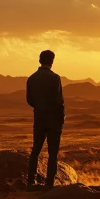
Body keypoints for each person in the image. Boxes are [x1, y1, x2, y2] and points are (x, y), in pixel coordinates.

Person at [26, 50, 65, 190]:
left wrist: (40, 107)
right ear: (52, 61)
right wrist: (60, 119)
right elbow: (59, 101)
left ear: (39, 60)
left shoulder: (31, 78)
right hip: (53, 120)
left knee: (35, 150)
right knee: (53, 152)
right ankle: (49, 183)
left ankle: (31, 180)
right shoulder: (55, 78)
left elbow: (29, 100)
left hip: (39, 119)